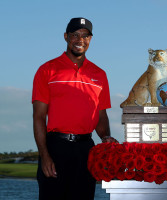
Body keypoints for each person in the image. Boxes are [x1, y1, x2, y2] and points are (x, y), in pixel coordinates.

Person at [32, 17, 118, 200]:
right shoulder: (47, 70)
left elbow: (101, 115)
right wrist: (45, 155)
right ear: (66, 37)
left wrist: (105, 137)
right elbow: (39, 117)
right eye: (75, 35)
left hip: (86, 150)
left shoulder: (100, 74)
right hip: (56, 148)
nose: (80, 40)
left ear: (90, 39)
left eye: (85, 36)